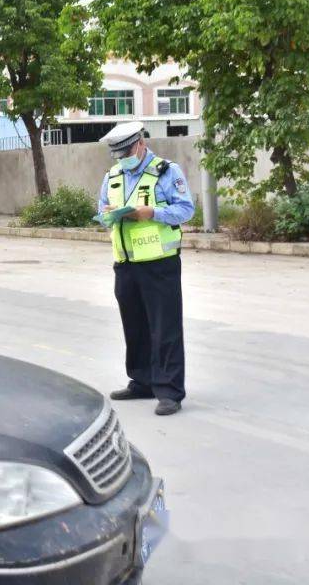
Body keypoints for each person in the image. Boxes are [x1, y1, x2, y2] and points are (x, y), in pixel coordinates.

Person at [98, 121, 194, 416]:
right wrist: (109, 216)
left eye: (126, 151)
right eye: (117, 154)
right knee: (135, 326)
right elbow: (103, 210)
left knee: (165, 328)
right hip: (125, 264)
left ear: (140, 143)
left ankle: (169, 391)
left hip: (159, 264)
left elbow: (186, 209)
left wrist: (153, 213)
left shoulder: (166, 172)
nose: (122, 158)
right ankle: (141, 381)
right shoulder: (112, 176)